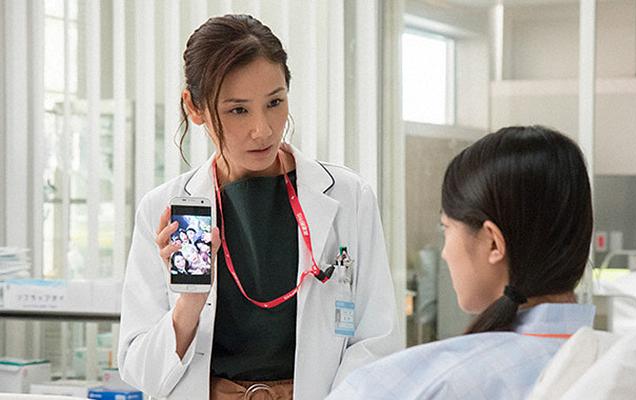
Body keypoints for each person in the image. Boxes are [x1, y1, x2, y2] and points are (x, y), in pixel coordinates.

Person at [118, 14, 401, 400]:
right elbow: (140, 371)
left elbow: (376, 341)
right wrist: (189, 303)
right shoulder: (162, 210)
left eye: (274, 102)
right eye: (239, 110)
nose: (263, 129)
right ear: (195, 108)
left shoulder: (348, 197)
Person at [327, 126, 595, 400]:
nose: (445, 253)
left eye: (446, 228)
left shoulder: (430, 383)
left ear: (493, 243)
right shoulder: (609, 361)